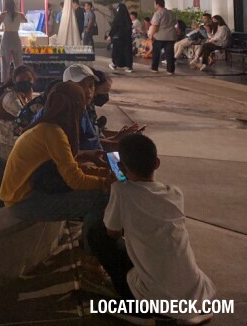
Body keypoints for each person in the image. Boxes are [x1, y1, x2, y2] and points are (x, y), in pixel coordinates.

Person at [92, 134, 215, 322]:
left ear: (121, 167)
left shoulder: (121, 191)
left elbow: (112, 232)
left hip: (157, 298)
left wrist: (116, 181)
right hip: (195, 291)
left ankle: (137, 307)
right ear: (156, 163)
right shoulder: (175, 193)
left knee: (98, 235)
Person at [0, 81, 112, 252]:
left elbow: (69, 164)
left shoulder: (47, 126)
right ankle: (92, 255)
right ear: (75, 107)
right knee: (100, 196)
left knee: (100, 187)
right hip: (24, 203)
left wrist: (103, 171)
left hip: (23, 194)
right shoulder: (53, 133)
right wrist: (108, 181)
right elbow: (75, 180)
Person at [0, 65, 36, 158]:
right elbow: (25, 116)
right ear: (14, 80)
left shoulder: (20, 94)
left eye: (29, 79)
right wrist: (30, 98)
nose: (26, 82)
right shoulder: (10, 97)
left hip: (13, 138)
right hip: (8, 140)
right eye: (23, 79)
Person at [0, 0, 24, 85]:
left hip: (6, 37)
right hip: (16, 37)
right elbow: (26, 21)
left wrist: (3, 29)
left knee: (5, 63)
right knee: (18, 62)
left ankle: (5, 83)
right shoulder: (20, 15)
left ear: (5, 5)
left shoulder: (3, 15)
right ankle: (20, 81)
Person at [147, 0, 177, 74]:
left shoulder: (158, 13)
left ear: (157, 4)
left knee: (156, 53)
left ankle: (154, 68)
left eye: (154, 4)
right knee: (169, 54)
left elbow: (155, 25)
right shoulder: (171, 13)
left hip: (160, 36)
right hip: (171, 36)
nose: (154, 6)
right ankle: (170, 70)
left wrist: (151, 35)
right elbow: (175, 23)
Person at [108, 3, 134, 73]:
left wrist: (110, 35)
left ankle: (115, 64)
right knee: (127, 52)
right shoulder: (128, 18)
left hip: (118, 38)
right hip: (127, 38)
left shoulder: (118, 17)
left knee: (117, 52)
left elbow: (114, 27)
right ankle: (129, 67)